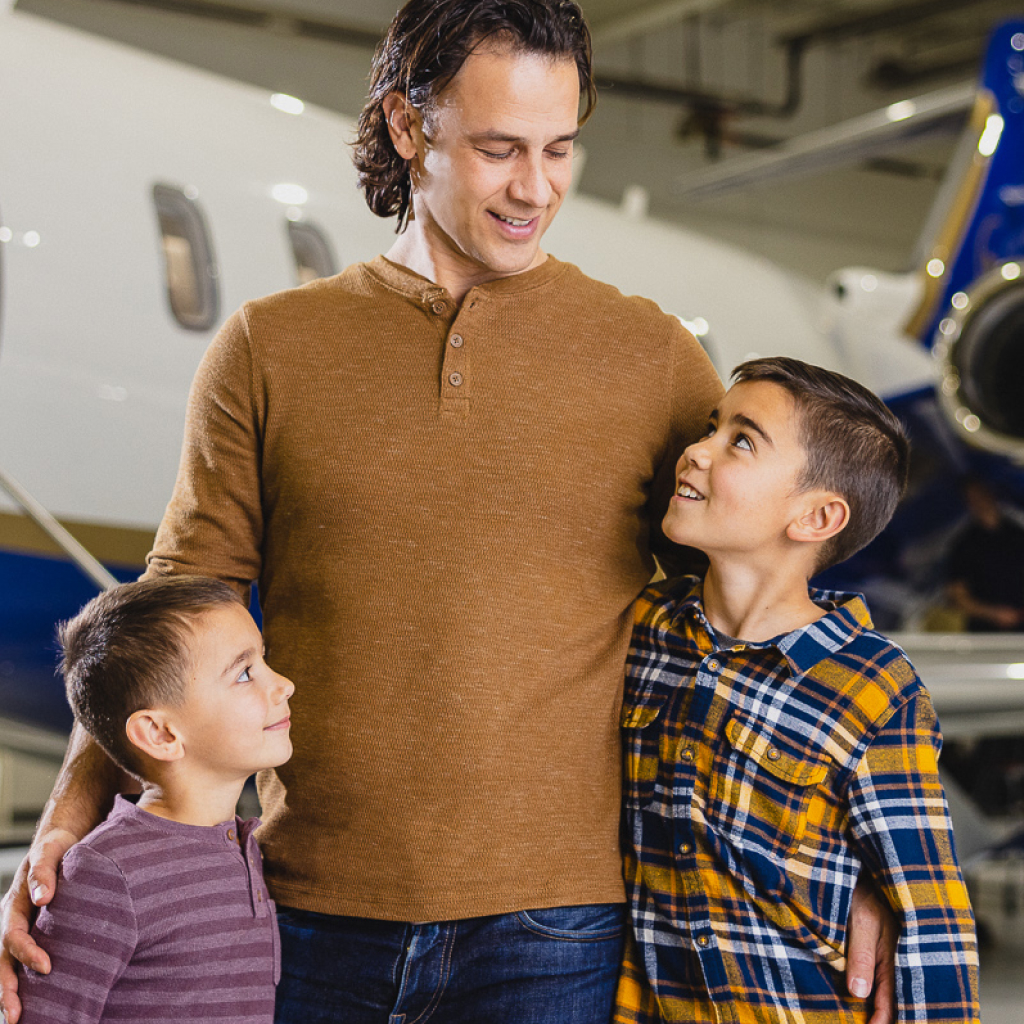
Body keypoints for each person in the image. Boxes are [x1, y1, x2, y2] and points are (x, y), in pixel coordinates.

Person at [1, 3, 896, 1022]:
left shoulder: (650, 359)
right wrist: (74, 815)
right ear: (404, 127)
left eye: (559, 149)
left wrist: (850, 864)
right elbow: (176, 610)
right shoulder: (269, 346)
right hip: (300, 905)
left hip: (554, 924)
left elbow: (755, 619)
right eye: (499, 149)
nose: (535, 188)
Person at [614, 357, 980, 1024]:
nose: (694, 452)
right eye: (711, 427)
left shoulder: (872, 685)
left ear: (816, 518)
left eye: (741, 441)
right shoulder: (643, 630)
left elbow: (931, 914)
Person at [17, 576, 294, 1024]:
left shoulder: (247, 849)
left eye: (265, 661)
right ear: (161, 734)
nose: (284, 684)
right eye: (245, 673)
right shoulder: (106, 873)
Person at [946, 476, 1024, 632]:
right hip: (984, 636)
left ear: (992, 494)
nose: (978, 502)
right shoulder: (964, 545)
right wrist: (994, 614)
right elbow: (958, 597)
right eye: (971, 498)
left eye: (981, 495)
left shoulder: (1018, 536)